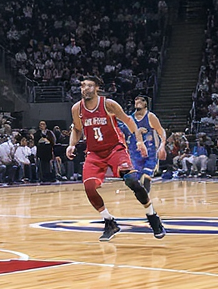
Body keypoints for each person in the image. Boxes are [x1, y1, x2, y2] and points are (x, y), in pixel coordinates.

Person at [65, 76, 162, 241]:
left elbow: (128, 120)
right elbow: (77, 129)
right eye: (82, 86)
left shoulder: (108, 104)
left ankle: (152, 216)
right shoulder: (77, 109)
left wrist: (139, 141)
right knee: (89, 187)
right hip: (94, 153)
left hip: (115, 149)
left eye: (89, 85)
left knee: (132, 180)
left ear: (97, 88)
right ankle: (109, 222)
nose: (84, 89)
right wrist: (72, 144)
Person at [117, 95, 168, 188]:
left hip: (149, 152)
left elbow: (161, 131)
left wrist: (162, 145)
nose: (138, 101)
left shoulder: (150, 117)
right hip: (134, 154)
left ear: (146, 104)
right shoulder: (129, 119)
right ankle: (143, 197)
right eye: (136, 99)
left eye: (142, 100)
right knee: (134, 180)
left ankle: (146, 196)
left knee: (146, 177)